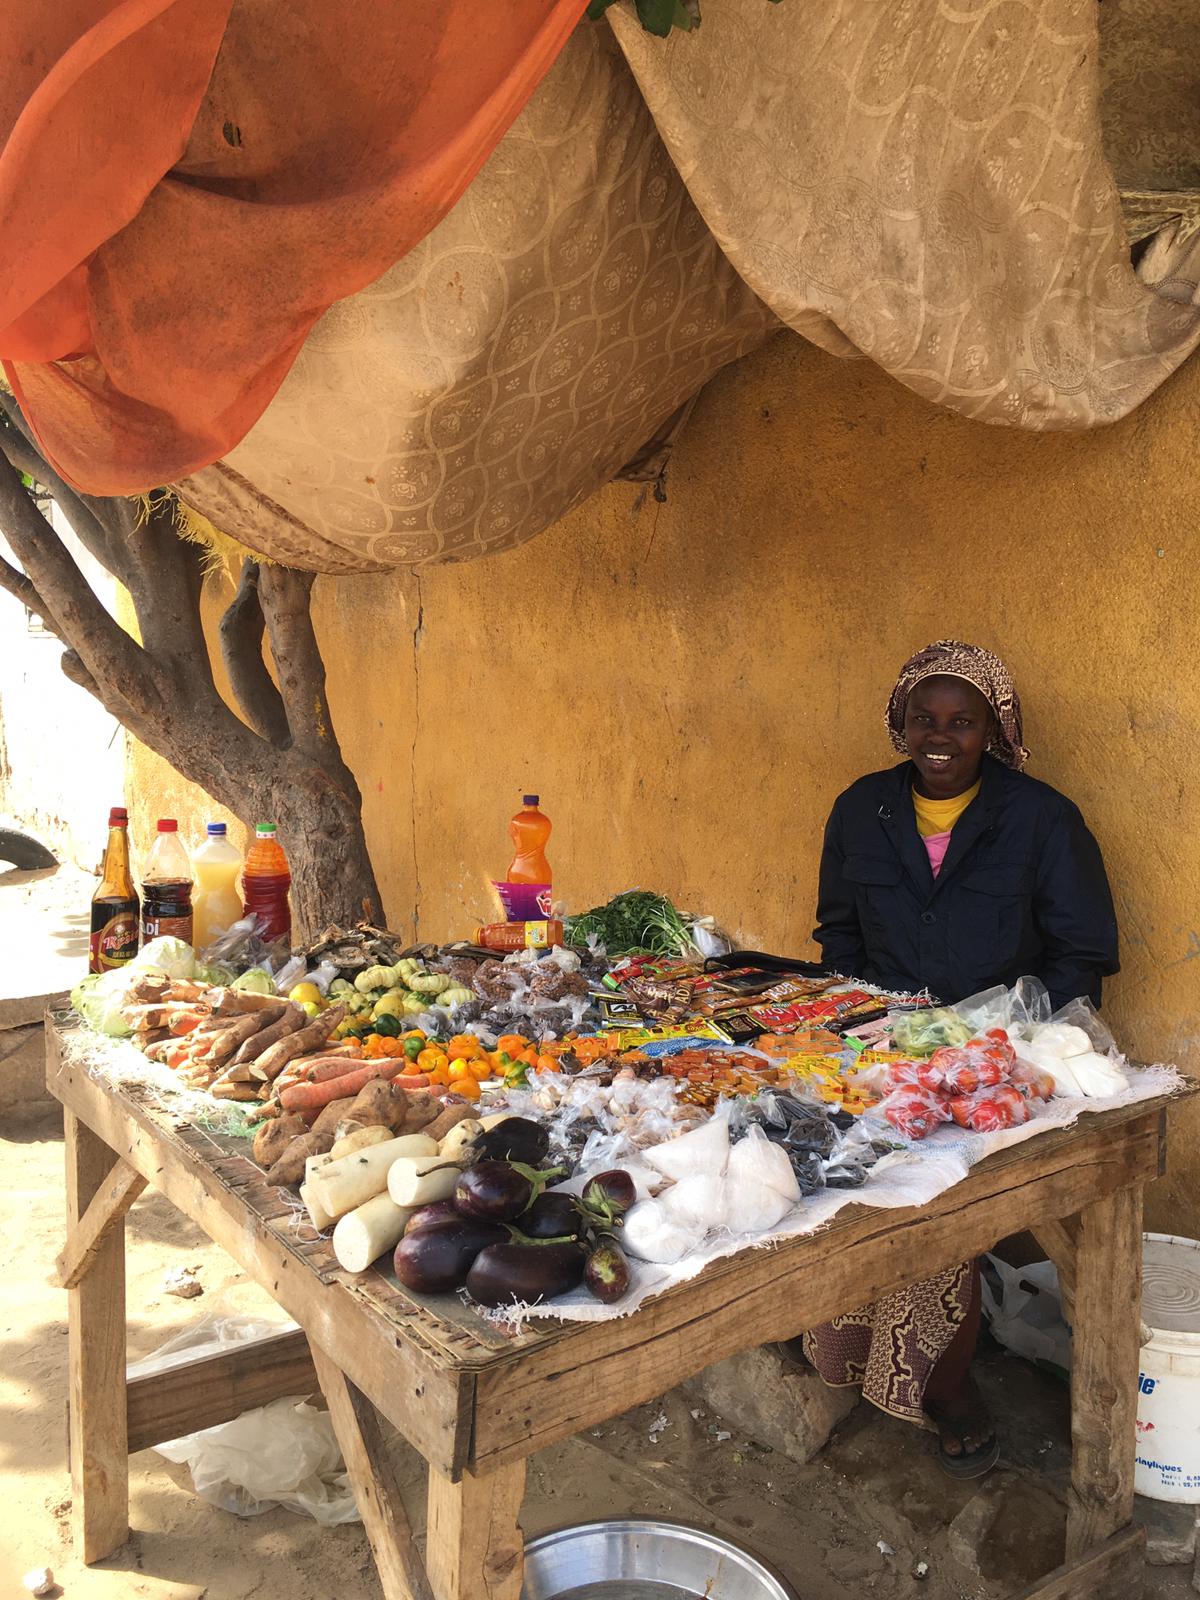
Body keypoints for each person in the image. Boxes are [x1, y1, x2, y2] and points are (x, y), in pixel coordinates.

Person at [803, 640, 1119, 1478]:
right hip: (876, 1049)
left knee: (944, 1216)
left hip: (993, 1062)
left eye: (962, 722)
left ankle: (943, 1386)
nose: (940, 738)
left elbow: (1080, 959)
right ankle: (842, 1354)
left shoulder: (1042, 820)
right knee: (845, 1187)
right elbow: (838, 933)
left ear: (995, 729)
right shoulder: (860, 810)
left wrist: (994, 1041)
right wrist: (860, 1025)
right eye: (923, 720)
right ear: (899, 724)